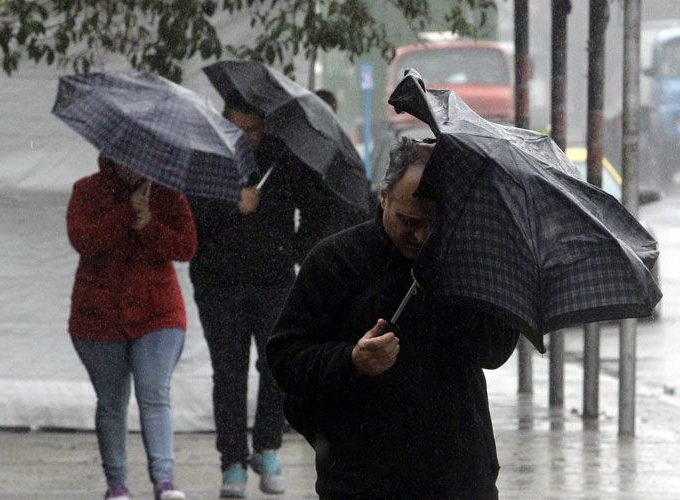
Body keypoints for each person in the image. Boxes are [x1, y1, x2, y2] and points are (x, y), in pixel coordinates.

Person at [266, 137, 521, 499]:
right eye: (408, 221)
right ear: (384, 197)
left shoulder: (468, 262)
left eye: (433, 223)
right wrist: (351, 359)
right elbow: (285, 358)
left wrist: (485, 282)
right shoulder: (336, 260)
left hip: (457, 471)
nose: (420, 236)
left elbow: (493, 351)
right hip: (362, 477)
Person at [188, 95, 348, 498]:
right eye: (237, 129)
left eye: (254, 129)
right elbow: (190, 222)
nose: (247, 138)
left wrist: (296, 249)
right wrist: (232, 203)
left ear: (265, 127)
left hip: (273, 280)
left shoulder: (283, 160)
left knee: (276, 368)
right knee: (229, 374)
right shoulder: (206, 160)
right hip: (218, 284)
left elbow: (318, 205)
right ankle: (232, 459)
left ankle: (267, 447)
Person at [67, 155, 197, 500]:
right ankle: (117, 485)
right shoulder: (86, 191)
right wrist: (126, 213)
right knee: (111, 402)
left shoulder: (168, 193)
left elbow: (186, 247)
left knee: (154, 394)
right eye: (123, 158)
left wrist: (148, 223)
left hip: (158, 313)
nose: (132, 166)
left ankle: (165, 481)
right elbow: (83, 239)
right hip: (98, 316)